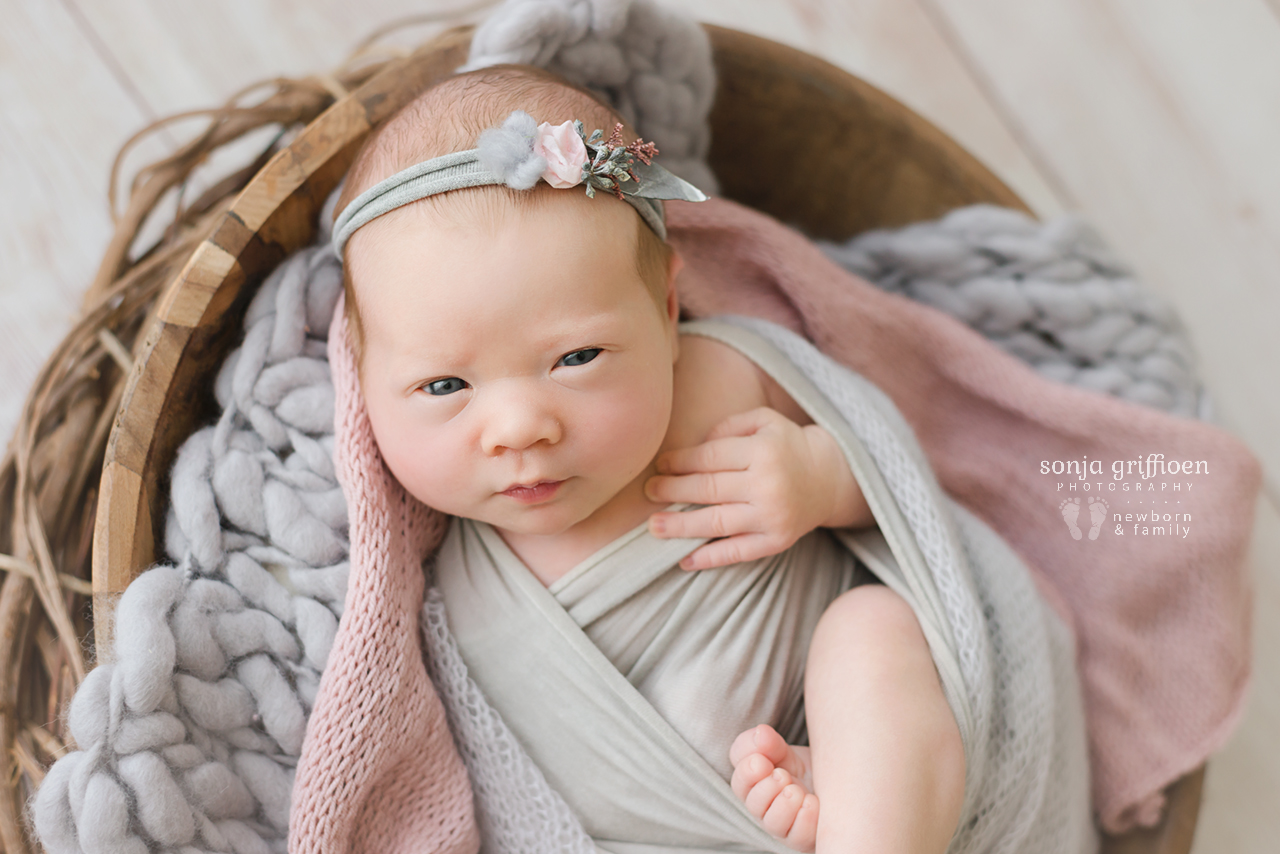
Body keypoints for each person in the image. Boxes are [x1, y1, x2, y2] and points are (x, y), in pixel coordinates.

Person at [332, 63, 964, 853]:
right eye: (444, 384)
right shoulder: (424, 578)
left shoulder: (726, 378)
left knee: (873, 630)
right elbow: (484, 789)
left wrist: (821, 478)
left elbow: (904, 488)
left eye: (578, 356)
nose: (519, 427)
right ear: (362, 380)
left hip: (866, 754)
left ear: (667, 311)